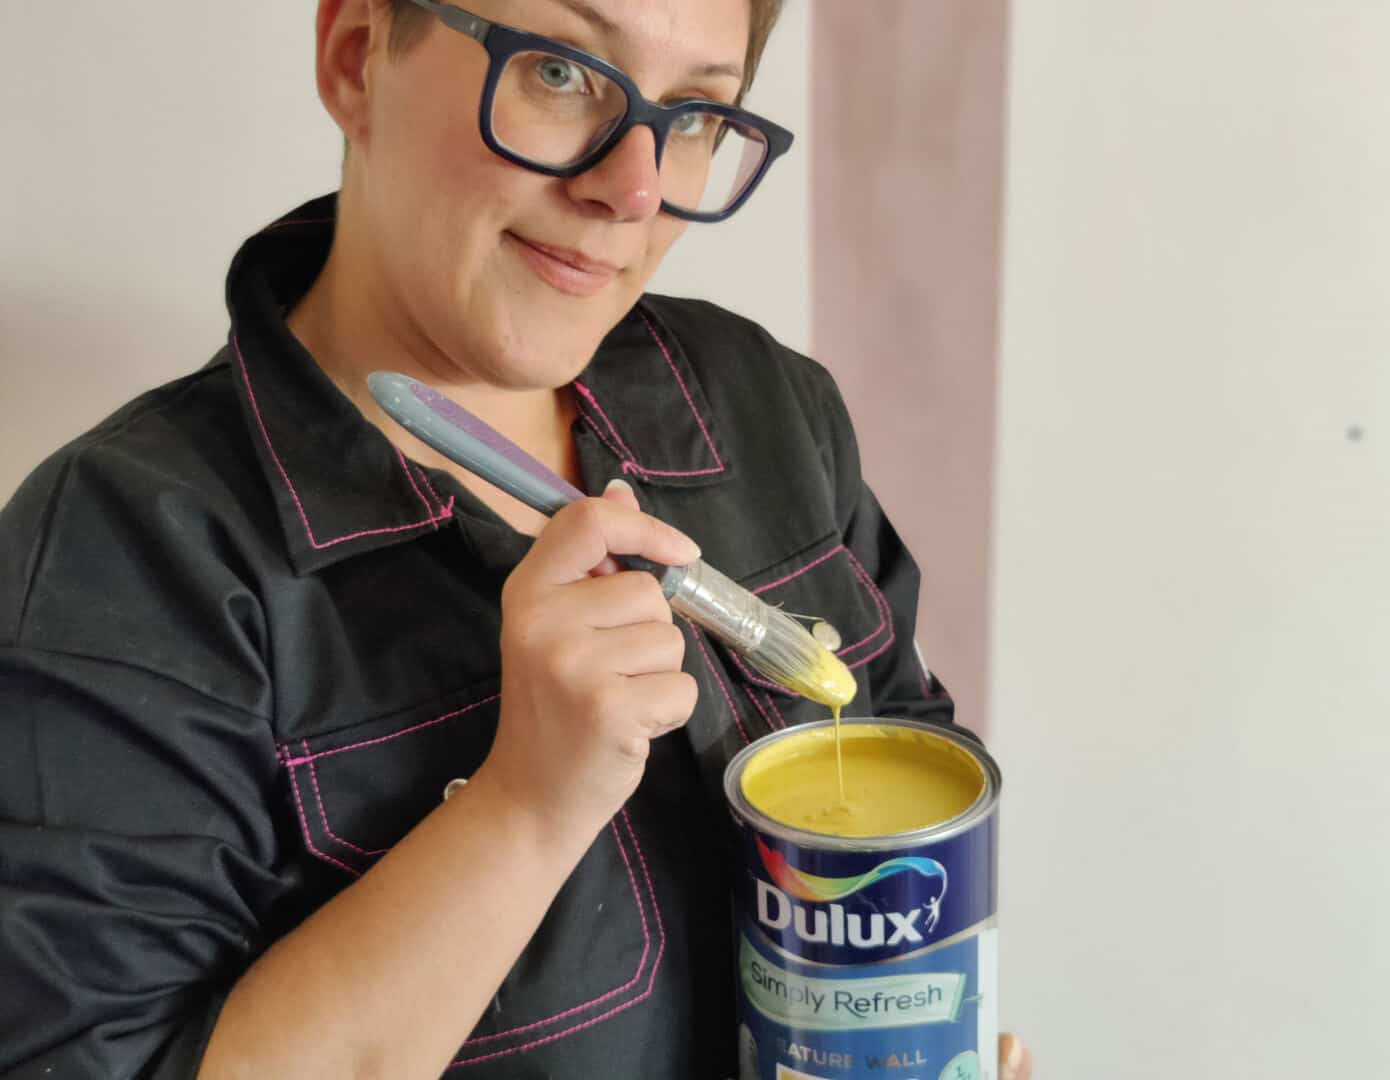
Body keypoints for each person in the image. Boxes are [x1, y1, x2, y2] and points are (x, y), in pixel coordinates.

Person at [0, 1, 1033, 1076]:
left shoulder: (764, 400)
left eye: (691, 114)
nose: (631, 188)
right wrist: (524, 807)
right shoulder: (121, 555)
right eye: (560, 74)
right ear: (356, 59)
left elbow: (906, 753)